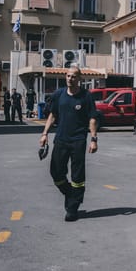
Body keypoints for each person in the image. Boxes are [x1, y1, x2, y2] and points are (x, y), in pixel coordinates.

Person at [39, 66, 98, 222]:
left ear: (79, 79)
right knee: (56, 172)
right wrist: (45, 134)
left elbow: (92, 118)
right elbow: (52, 115)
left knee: (77, 176)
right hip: (61, 139)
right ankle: (70, 194)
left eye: (73, 76)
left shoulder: (86, 96)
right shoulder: (59, 94)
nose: (70, 78)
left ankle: (72, 208)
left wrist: (93, 139)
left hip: (78, 140)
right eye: (68, 76)